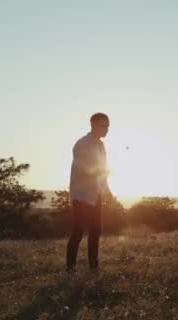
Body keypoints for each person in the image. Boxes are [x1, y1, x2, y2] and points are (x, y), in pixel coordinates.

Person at [66, 113, 112, 273]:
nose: (106, 129)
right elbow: (84, 167)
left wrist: (107, 191)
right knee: (78, 231)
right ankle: (70, 269)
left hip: (96, 194)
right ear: (93, 125)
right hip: (82, 194)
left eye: (108, 126)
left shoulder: (100, 145)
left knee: (96, 230)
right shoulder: (83, 143)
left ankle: (94, 267)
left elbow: (103, 170)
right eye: (103, 126)